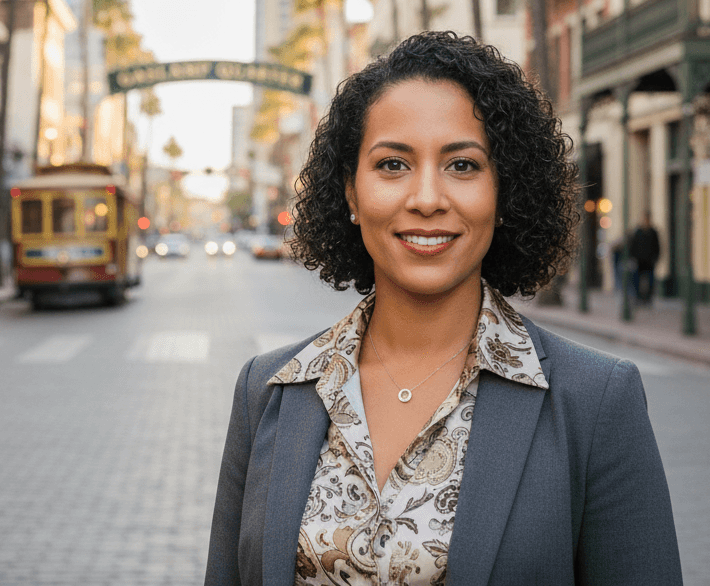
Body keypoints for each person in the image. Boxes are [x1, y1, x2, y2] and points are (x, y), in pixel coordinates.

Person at [205, 32, 681, 585]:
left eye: (462, 165)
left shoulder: (595, 402)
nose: (428, 198)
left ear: (503, 191)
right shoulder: (267, 393)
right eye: (392, 165)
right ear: (351, 193)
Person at [629, 212, 662, 306]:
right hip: (639, 261)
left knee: (651, 280)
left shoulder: (653, 232)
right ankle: (638, 298)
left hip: (650, 261)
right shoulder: (638, 232)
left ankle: (648, 299)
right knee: (636, 280)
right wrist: (633, 257)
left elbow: (657, 246)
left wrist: (656, 258)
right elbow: (633, 245)